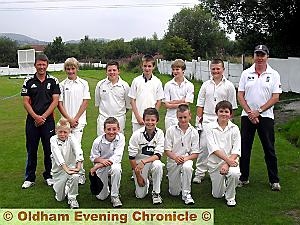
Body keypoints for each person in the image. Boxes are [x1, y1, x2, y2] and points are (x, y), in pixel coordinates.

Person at [237, 44, 282, 191]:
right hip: (247, 116)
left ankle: (274, 180)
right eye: (258, 54)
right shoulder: (246, 73)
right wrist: (250, 112)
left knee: (269, 148)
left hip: (266, 116)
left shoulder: (274, 74)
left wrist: (259, 111)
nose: (260, 58)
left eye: (263, 55)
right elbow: (240, 95)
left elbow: (275, 97)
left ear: (267, 56)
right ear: (254, 56)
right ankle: (243, 178)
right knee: (244, 148)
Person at [193, 58, 238, 184]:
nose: (215, 71)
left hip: (223, 120)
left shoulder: (229, 86)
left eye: (218, 68)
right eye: (213, 69)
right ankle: (199, 173)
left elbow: (232, 106)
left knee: (223, 147)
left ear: (223, 69)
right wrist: (198, 123)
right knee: (203, 147)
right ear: (210, 69)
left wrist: (230, 123)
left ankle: (223, 170)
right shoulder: (205, 85)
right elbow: (200, 104)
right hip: (207, 119)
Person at [21, 53, 60, 189]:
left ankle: (49, 176)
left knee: (49, 150)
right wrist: (36, 117)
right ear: (35, 65)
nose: (41, 67)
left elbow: (55, 101)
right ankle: (30, 178)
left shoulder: (53, 81)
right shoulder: (28, 81)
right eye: (39, 64)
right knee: (31, 149)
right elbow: (26, 102)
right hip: (32, 121)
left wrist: (43, 117)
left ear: (47, 65)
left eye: (44, 64)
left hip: (48, 121)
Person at [58, 57, 91, 185]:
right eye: (68, 69)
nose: (70, 71)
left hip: (79, 121)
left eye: (72, 68)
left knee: (77, 147)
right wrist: (69, 119)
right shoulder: (62, 85)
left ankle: (80, 173)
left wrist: (75, 119)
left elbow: (85, 101)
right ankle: (68, 172)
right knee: (66, 149)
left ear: (77, 68)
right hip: (65, 123)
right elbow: (59, 103)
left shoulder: (83, 83)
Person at [206, 100, 241, 207]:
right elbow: (214, 148)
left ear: (230, 114)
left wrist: (227, 163)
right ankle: (225, 183)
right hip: (215, 163)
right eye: (221, 111)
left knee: (234, 173)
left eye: (226, 111)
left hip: (231, 162)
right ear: (216, 112)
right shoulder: (209, 127)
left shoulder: (234, 128)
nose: (223, 114)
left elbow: (236, 149)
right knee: (217, 195)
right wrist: (227, 161)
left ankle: (230, 197)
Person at [128, 108, 164, 205]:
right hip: (138, 165)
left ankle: (156, 193)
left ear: (157, 121)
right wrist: (138, 175)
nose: (150, 122)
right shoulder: (136, 135)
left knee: (158, 165)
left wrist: (144, 162)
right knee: (140, 196)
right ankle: (146, 180)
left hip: (150, 162)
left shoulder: (160, 133)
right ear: (143, 120)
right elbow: (131, 158)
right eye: (147, 120)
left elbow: (158, 155)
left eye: (153, 120)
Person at [164, 104, 199, 205]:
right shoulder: (170, 130)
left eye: (185, 117)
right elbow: (167, 150)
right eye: (180, 117)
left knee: (187, 167)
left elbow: (195, 153)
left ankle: (187, 194)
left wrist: (185, 158)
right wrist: (175, 157)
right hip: (173, 162)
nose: (183, 120)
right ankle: (178, 184)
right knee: (174, 192)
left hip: (186, 160)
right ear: (177, 116)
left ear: (190, 116)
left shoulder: (194, 132)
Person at [90, 117, 125, 208]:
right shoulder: (97, 141)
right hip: (101, 166)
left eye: (114, 129)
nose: (111, 132)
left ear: (118, 129)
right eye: (108, 129)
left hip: (113, 164)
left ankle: (115, 196)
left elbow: (117, 157)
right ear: (104, 130)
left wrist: (96, 167)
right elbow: (93, 157)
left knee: (116, 169)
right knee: (101, 197)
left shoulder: (121, 137)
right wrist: (101, 161)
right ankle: (108, 183)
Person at [50, 119, 84, 209]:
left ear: (69, 132)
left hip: (71, 168)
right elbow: (57, 155)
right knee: (60, 198)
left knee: (75, 176)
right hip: (58, 171)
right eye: (60, 132)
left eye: (65, 132)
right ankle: (68, 186)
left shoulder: (72, 138)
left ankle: (72, 198)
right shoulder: (53, 140)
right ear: (56, 131)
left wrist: (78, 168)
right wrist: (66, 169)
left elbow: (78, 150)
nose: (62, 134)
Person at [128, 54, 164, 132]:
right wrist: (138, 117)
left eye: (149, 66)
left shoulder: (157, 82)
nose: (147, 68)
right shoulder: (136, 81)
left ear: (153, 67)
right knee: (137, 141)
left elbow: (159, 101)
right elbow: (132, 100)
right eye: (145, 66)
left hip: (151, 121)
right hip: (137, 120)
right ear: (142, 66)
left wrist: (154, 117)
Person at [95, 61, 130, 135]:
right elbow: (98, 102)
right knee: (102, 143)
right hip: (103, 118)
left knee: (118, 143)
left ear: (119, 71)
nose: (112, 72)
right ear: (106, 72)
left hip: (119, 119)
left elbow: (128, 105)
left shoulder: (125, 86)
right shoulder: (100, 85)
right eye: (109, 70)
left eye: (114, 70)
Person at [163, 59, 194, 130]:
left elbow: (186, 104)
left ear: (183, 70)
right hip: (170, 117)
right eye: (173, 69)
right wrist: (181, 101)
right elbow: (166, 105)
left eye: (177, 69)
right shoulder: (168, 85)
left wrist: (173, 102)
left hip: (183, 118)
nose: (175, 72)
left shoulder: (189, 85)